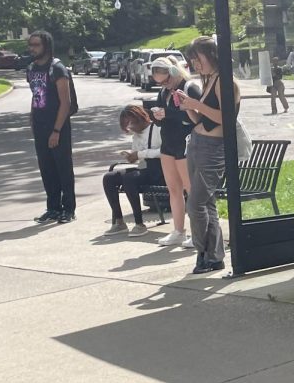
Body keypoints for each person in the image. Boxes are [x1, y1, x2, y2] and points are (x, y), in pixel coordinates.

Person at [175, 36, 238, 274]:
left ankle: (203, 252)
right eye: (192, 58)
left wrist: (196, 104)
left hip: (213, 148)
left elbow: (225, 118)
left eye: (197, 57)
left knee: (196, 202)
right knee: (205, 202)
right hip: (198, 142)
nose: (194, 63)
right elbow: (203, 119)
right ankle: (213, 256)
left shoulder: (225, 81)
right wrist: (189, 107)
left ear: (211, 56)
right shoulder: (209, 80)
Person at [26, 30, 77, 224]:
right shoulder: (31, 68)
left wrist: (56, 130)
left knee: (63, 167)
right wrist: (32, 117)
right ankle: (53, 208)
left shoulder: (57, 69)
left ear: (46, 46)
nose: (32, 48)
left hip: (58, 125)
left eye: (36, 44)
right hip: (39, 125)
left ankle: (69, 208)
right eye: (30, 44)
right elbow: (36, 95)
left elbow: (65, 102)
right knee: (46, 168)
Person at [149, 56, 200, 248]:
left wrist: (168, 113)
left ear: (173, 72)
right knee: (173, 188)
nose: (165, 84)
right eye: (160, 82)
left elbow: (196, 117)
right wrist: (157, 116)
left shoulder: (188, 87)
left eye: (166, 80)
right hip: (168, 143)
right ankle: (178, 230)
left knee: (190, 188)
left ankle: (198, 231)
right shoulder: (164, 92)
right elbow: (164, 115)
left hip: (184, 142)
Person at [102, 105, 163, 236]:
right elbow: (137, 155)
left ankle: (139, 224)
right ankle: (119, 222)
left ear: (140, 119)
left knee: (130, 178)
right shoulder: (136, 135)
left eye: (132, 125)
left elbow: (165, 152)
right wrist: (131, 156)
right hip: (143, 169)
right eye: (128, 127)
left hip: (159, 171)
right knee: (109, 177)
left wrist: (140, 154)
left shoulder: (157, 128)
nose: (131, 129)